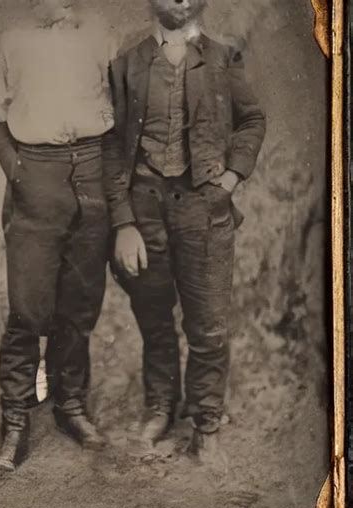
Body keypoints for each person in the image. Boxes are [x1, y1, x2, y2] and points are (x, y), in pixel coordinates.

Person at [104, 0, 266, 463]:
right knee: (154, 318)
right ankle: (160, 406)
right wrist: (123, 222)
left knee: (208, 326)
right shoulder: (128, 62)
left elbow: (253, 119)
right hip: (145, 209)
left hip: (203, 209)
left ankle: (206, 421)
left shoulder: (223, 57)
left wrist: (232, 177)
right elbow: (114, 144)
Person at [0, 0, 117, 471]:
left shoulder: (102, 36)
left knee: (79, 305)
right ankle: (15, 421)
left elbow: (121, 110)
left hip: (92, 172)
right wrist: (18, 172)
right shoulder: (12, 41)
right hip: (37, 176)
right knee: (29, 307)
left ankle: (70, 406)